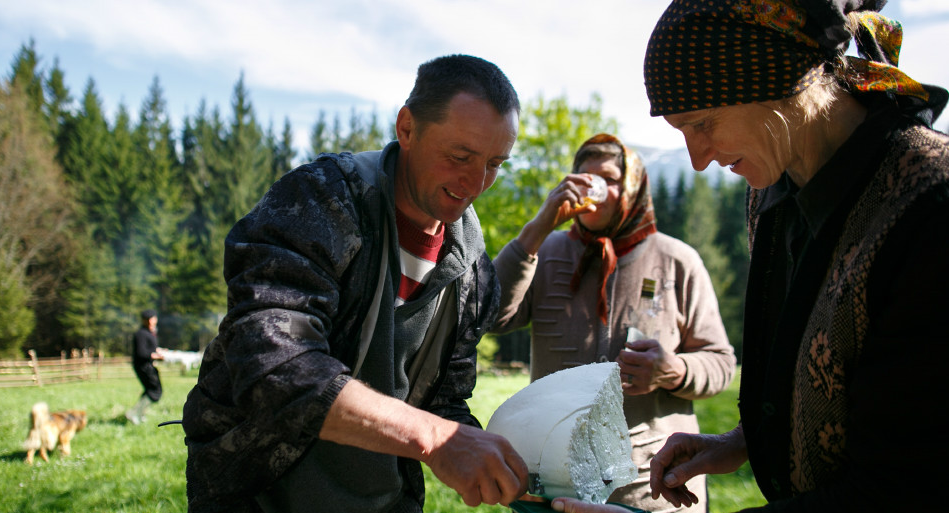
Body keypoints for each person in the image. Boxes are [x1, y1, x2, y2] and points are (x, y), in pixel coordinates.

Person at [180, 54, 529, 513]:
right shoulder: (319, 201)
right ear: (406, 128)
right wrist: (433, 438)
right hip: (259, 494)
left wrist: (505, 464)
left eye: (494, 164)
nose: (476, 182)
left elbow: (443, 399)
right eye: (459, 156)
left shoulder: (474, 272)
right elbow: (273, 364)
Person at [637, 1, 949, 512]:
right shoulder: (772, 192)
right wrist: (743, 441)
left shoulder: (928, 203)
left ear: (770, 80)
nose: (697, 159)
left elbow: (905, 486)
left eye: (703, 122)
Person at [492, 133, 736, 512]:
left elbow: (721, 363)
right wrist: (539, 227)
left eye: (608, 177)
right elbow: (490, 314)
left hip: (651, 489)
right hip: (553, 487)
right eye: (582, 176)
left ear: (634, 186)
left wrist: (673, 370)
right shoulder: (547, 250)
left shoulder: (677, 261)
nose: (592, 186)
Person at [126, 308, 165, 425]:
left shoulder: (151, 333)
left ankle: (139, 414)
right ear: (143, 320)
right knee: (155, 391)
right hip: (143, 366)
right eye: (147, 320)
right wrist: (157, 356)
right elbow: (141, 353)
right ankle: (134, 413)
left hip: (148, 365)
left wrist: (161, 351)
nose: (150, 322)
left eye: (152, 319)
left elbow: (151, 349)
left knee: (150, 390)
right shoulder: (141, 334)